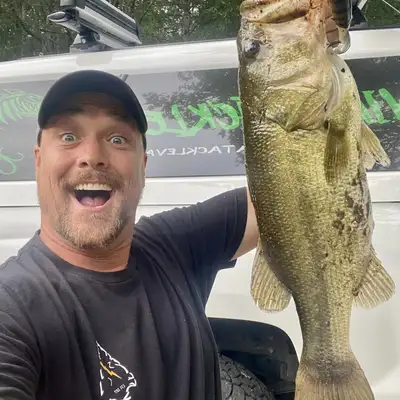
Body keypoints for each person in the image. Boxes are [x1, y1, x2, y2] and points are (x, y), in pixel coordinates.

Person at [0, 70, 259, 400]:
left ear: (143, 166)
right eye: (68, 136)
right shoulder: (12, 308)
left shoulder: (174, 246)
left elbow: (292, 194)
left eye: (117, 139)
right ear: (38, 161)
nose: (92, 156)